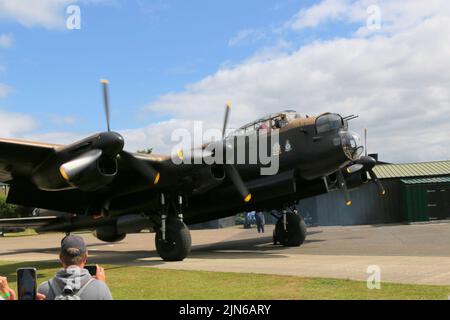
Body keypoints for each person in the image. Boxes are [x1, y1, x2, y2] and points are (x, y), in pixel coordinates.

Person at [38, 235, 113, 300]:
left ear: (60, 257)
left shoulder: (43, 289)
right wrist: (101, 285)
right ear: (85, 257)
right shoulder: (99, 288)